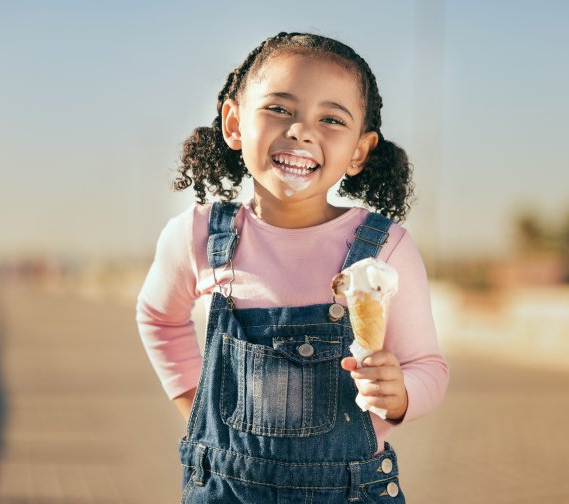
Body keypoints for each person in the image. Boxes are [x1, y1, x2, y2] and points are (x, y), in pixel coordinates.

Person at [136, 32, 449, 503]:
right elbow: (158, 316)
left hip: (349, 491)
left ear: (359, 151)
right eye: (280, 109)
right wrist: (195, 404)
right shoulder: (198, 236)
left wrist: (402, 392)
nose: (302, 130)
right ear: (234, 122)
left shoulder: (383, 248)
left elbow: (429, 366)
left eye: (330, 119)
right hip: (224, 490)